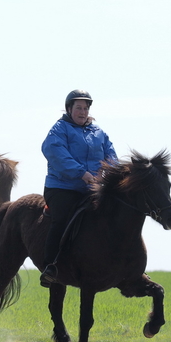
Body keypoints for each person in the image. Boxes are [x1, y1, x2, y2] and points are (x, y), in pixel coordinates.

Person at [39, 89, 118, 287]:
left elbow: (111, 155)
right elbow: (56, 154)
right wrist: (81, 173)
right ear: (69, 109)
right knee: (63, 218)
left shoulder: (98, 132)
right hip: (62, 187)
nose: (82, 112)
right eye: (78, 108)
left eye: (85, 108)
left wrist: (107, 173)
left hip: (92, 187)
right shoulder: (59, 130)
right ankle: (51, 265)